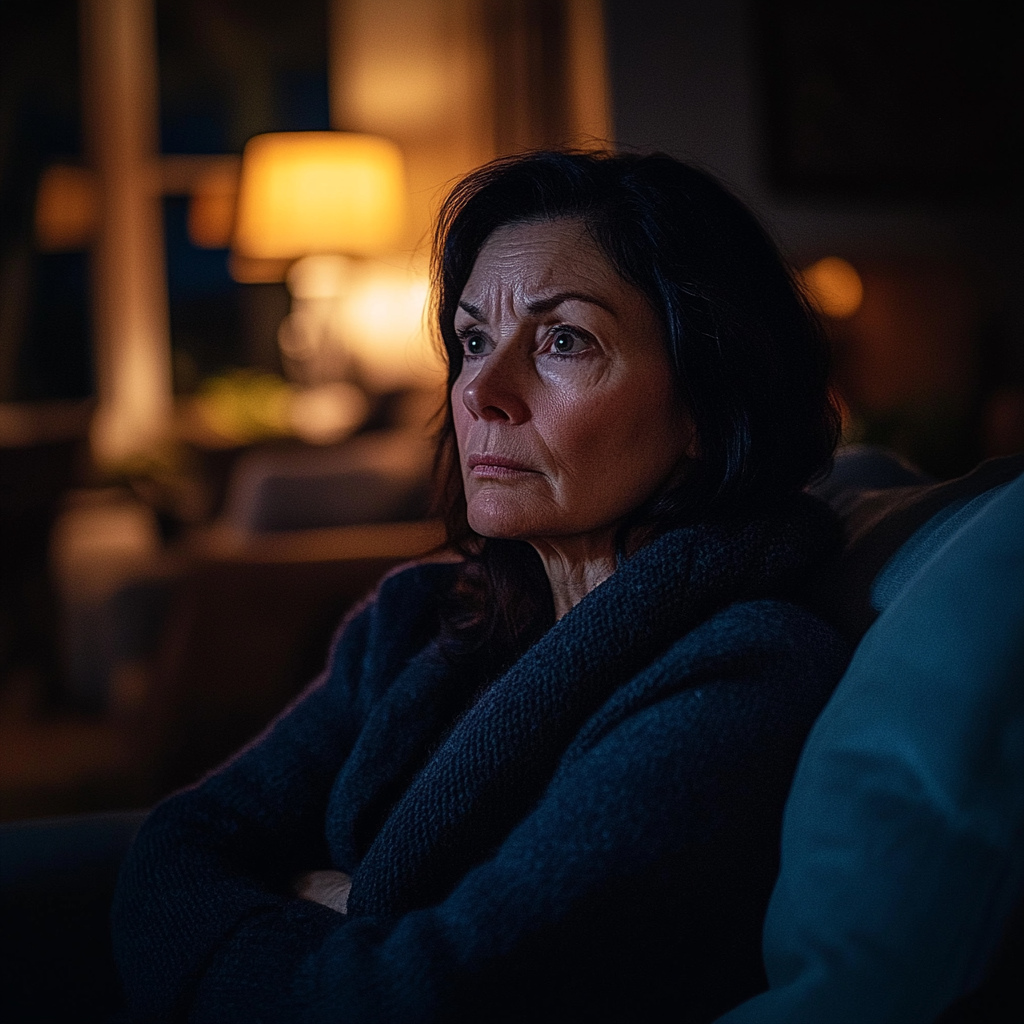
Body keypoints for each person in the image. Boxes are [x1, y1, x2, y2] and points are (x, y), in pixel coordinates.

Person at [112, 151, 849, 1023]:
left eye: (564, 339)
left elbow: (433, 997)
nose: (482, 392)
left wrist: (331, 910)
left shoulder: (742, 675)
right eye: (471, 341)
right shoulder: (414, 619)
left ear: (705, 403)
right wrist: (347, 931)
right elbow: (174, 845)